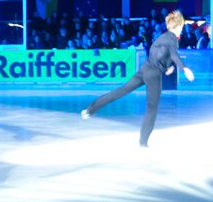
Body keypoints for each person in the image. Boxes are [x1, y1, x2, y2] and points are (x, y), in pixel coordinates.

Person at [81, 9, 195, 146]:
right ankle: (143, 143)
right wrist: (184, 68)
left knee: (120, 91)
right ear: (180, 26)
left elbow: (158, 54)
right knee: (152, 109)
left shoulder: (162, 37)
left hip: (144, 69)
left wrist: (167, 67)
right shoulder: (172, 40)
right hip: (153, 75)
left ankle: (89, 110)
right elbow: (172, 53)